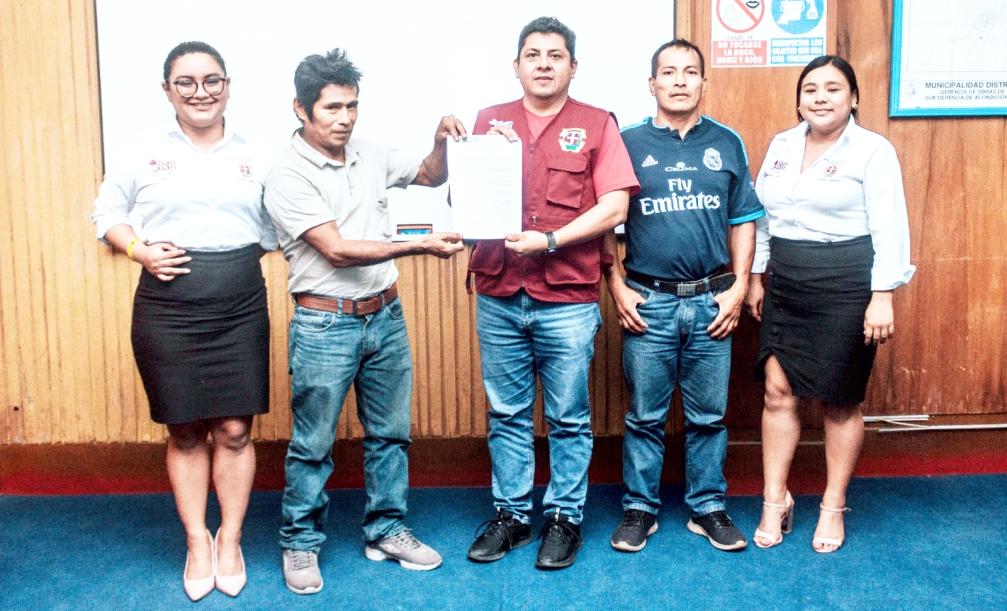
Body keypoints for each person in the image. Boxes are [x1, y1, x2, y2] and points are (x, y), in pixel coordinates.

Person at [264, 48, 466, 594]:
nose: (345, 118)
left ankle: (386, 530)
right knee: (313, 444)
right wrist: (419, 244)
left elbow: (429, 174)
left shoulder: (370, 153)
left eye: (351, 106)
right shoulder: (286, 173)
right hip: (325, 324)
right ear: (301, 108)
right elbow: (336, 249)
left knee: (391, 435)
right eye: (332, 108)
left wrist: (441, 140)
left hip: (386, 316)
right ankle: (300, 542)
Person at [91, 41, 274, 601]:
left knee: (235, 430)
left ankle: (231, 538)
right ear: (167, 89)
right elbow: (107, 215)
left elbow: (277, 227)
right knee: (187, 429)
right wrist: (139, 250)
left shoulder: (259, 152)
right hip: (167, 307)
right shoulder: (142, 151)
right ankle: (198, 540)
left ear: (228, 85)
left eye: (212, 80)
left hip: (239, 303)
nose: (201, 92)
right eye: (186, 82)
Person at [465, 16, 639, 570]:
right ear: (516, 66)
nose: (543, 64)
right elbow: (465, 200)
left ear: (573, 66)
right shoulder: (488, 121)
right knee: (507, 413)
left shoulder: (596, 123)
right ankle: (512, 516)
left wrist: (550, 240)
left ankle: (565, 518)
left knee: (568, 417)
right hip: (498, 290)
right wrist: (463, 151)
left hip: (566, 297)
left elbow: (615, 206)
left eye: (555, 55)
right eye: (533, 55)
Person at [746, 55, 915, 553]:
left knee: (839, 399)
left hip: (846, 283)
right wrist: (756, 276)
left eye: (833, 88)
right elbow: (763, 218)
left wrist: (882, 294)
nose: (820, 97)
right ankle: (775, 499)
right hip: (786, 281)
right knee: (777, 391)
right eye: (811, 89)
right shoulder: (782, 145)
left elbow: (890, 226)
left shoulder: (872, 150)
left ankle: (833, 504)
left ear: (854, 98)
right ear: (799, 100)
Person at [604, 40, 764, 554]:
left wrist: (739, 287)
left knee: (709, 418)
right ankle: (639, 509)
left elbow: (744, 221)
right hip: (648, 301)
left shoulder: (727, 142)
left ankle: (708, 507)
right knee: (644, 417)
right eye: (668, 73)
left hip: (712, 301)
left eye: (690, 72)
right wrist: (616, 287)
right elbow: (606, 221)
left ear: (703, 83)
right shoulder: (625, 142)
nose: (679, 81)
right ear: (652, 84)